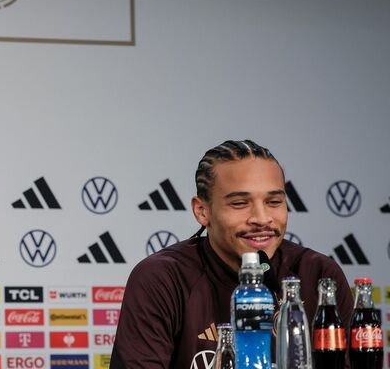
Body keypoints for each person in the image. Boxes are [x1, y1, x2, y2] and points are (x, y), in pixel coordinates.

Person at [110, 140, 354, 369]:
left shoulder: (320, 276)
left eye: (274, 202)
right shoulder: (161, 278)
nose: (261, 218)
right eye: (239, 203)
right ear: (202, 211)